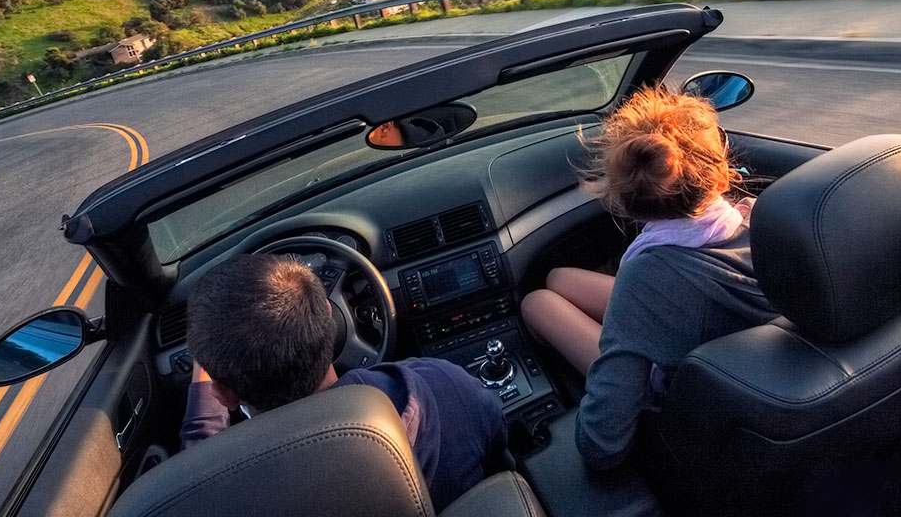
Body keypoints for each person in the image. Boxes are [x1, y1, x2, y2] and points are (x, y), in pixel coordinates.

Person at [520, 86, 777, 469]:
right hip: (732, 346)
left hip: (677, 386)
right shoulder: (762, 219)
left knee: (535, 302)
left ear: (625, 204)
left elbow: (602, 446)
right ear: (722, 177)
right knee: (558, 278)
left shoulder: (644, 278)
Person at [180, 254, 507, 509]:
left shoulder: (227, 492)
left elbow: (197, 478)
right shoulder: (442, 382)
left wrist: (203, 413)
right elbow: (499, 450)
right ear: (328, 317)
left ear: (223, 394)